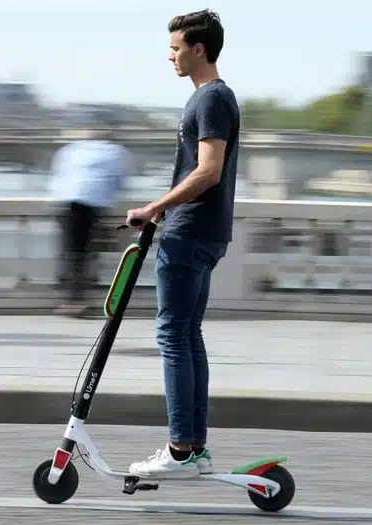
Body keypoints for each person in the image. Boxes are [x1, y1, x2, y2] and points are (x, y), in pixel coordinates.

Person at [126, 9, 240, 478]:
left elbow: (208, 170)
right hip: (207, 232)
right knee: (188, 336)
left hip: (189, 231)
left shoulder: (209, 100)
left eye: (175, 49)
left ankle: (179, 449)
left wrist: (156, 207)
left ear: (198, 49)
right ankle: (194, 448)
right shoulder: (215, 98)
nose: (169, 56)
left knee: (173, 335)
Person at [49, 130, 133, 316]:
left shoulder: (70, 149)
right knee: (83, 253)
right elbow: (121, 180)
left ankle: (71, 297)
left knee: (70, 252)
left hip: (64, 201)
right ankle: (77, 299)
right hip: (91, 203)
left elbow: (58, 174)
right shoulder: (116, 151)